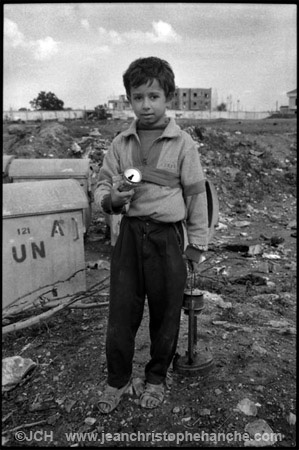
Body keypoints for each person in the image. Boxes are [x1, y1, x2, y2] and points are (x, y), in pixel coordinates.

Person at [94, 56, 209, 413]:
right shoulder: (120, 143)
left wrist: (197, 247)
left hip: (167, 239)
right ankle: (118, 380)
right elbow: (101, 184)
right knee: (121, 313)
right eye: (138, 96)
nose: (146, 104)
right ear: (129, 99)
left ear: (168, 98)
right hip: (129, 237)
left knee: (166, 314)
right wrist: (111, 200)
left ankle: (156, 377)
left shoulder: (183, 144)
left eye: (154, 96)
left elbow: (196, 196)